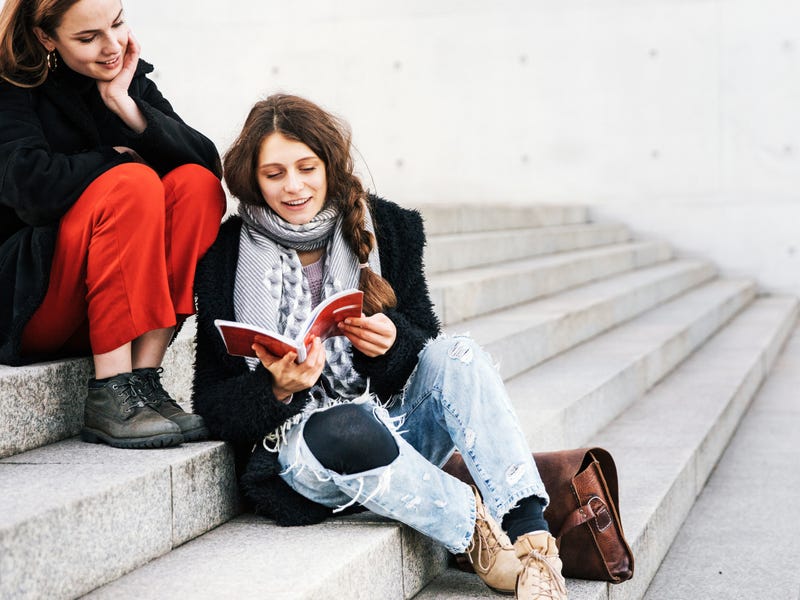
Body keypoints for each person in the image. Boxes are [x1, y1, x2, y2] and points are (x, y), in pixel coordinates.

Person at [191, 93, 567, 600]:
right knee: (345, 424)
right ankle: (477, 534)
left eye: (307, 167)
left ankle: (531, 537)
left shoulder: (388, 226)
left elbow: (424, 349)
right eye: (275, 174)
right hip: (307, 455)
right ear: (252, 179)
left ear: (329, 164)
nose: (294, 186)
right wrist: (276, 390)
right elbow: (211, 403)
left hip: (395, 424)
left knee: (459, 354)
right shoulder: (224, 254)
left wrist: (392, 343)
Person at [0, 0, 226, 449]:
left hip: (118, 305)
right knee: (131, 183)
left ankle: (142, 379)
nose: (111, 46)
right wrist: (110, 161)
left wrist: (124, 103)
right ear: (47, 39)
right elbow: (28, 186)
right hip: (37, 301)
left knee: (196, 186)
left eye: (118, 24)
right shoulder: (10, 86)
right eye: (88, 38)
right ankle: (110, 390)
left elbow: (208, 164)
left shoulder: (127, 76)